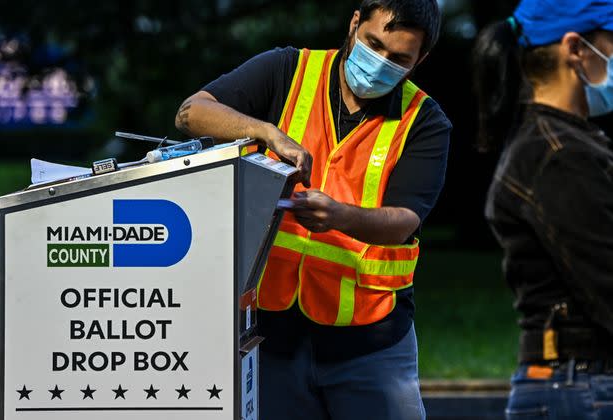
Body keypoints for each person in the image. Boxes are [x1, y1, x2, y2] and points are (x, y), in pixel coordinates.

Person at [175, 1, 450, 418]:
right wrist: (265, 131)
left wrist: (339, 216)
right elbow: (191, 112)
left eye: (399, 59)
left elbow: (404, 222)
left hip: (371, 343)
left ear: (420, 60)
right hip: (273, 337)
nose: (379, 63)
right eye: (373, 44)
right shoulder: (288, 70)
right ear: (354, 21)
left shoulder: (425, 122)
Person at [473, 0, 613, 418]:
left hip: (578, 384)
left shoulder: (567, 142)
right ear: (577, 48)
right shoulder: (557, 154)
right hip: (579, 387)